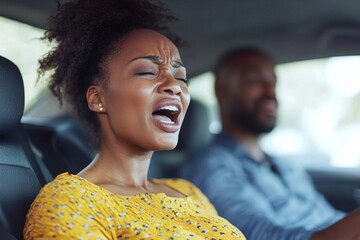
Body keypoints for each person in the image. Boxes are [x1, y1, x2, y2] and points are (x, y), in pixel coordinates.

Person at [23, 1, 246, 239]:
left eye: (181, 78)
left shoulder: (189, 192)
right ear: (98, 98)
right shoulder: (70, 201)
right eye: (147, 72)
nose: (174, 86)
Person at [180, 46, 360, 240]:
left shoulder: (287, 166)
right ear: (222, 90)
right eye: (255, 80)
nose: (270, 90)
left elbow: (329, 219)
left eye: (273, 81)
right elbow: (258, 236)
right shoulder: (210, 166)